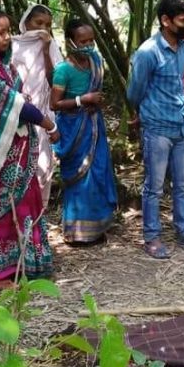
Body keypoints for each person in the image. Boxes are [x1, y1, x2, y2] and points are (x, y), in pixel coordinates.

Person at [0, 7, 60, 286]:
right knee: (1, 207)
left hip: (21, 151)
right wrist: (48, 124)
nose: (7, 38)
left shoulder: (4, 66)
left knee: (27, 202)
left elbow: (19, 97)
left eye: (8, 31)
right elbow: (14, 104)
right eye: (0, 33)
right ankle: (0, 271)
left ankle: (30, 263)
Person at [127, 0, 184, 260]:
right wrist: (143, 114)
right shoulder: (147, 52)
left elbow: (178, 83)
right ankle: (151, 237)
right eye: (183, 19)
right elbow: (134, 92)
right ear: (165, 20)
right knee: (154, 186)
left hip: (181, 125)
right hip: (156, 128)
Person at [49, 18, 117, 244]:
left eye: (91, 41)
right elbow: (54, 104)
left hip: (94, 125)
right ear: (70, 42)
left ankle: (97, 228)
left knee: (97, 173)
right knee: (79, 178)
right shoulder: (63, 70)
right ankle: (77, 233)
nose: (88, 46)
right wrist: (82, 99)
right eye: (83, 41)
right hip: (74, 131)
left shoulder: (95, 62)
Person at [12, 4, 64, 206]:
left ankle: (37, 214)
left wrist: (44, 49)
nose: (43, 29)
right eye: (38, 23)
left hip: (42, 114)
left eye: (48, 25)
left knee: (41, 163)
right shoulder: (12, 45)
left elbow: (55, 81)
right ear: (26, 23)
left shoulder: (51, 46)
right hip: (18, 112)